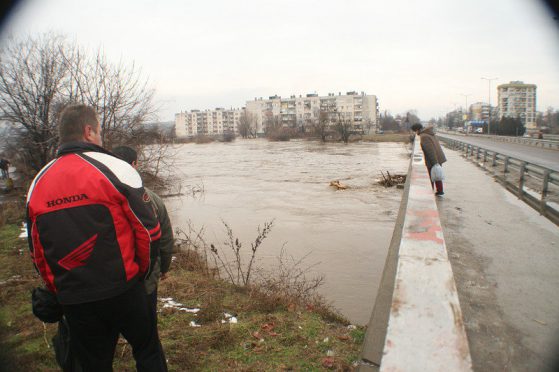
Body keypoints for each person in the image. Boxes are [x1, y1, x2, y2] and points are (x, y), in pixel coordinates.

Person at [26, 104, 167, 371]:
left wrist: (59, 290)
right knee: (148, 352)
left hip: (75, 297)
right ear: (89, 132)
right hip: (124, 289)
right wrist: (141, 274)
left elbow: (37, 250)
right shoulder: (116, 168)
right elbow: (149, 231)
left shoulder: (38, 183)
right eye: (99, 131)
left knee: (93, 364)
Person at [112, 146, 173, 323]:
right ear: (135, 165)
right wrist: (164, 268)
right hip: (145, 277)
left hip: (110, 279)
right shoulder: (151, 198)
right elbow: (165, 239)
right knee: (146, 330)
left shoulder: (96, 196)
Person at [410, 123, 447, 196]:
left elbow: (430, 151)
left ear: (417, 130)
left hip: (434, 159)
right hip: (439, 156)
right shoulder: (429, 133)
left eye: (414, 131)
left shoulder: (424, 136)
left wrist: (435, 163)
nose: (415, 133)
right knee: (437, 174)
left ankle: (431, 192)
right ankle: (440, 191)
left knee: (431, 176)